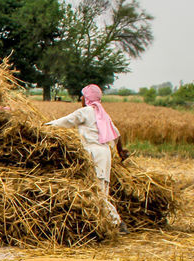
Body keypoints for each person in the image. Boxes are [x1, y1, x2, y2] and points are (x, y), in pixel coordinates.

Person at [44, 84, 130, 232]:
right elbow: (116, 134)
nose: (81, 99)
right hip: (105, 153)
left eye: (83, 96)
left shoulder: (85, 112)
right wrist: (120, 151)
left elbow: (65, 121)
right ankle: (106, 222)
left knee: (98, 189)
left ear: (87, 98)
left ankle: (117, 223)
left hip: (95, 153)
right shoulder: (102, 114)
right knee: (101, 188)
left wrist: (46, 125)